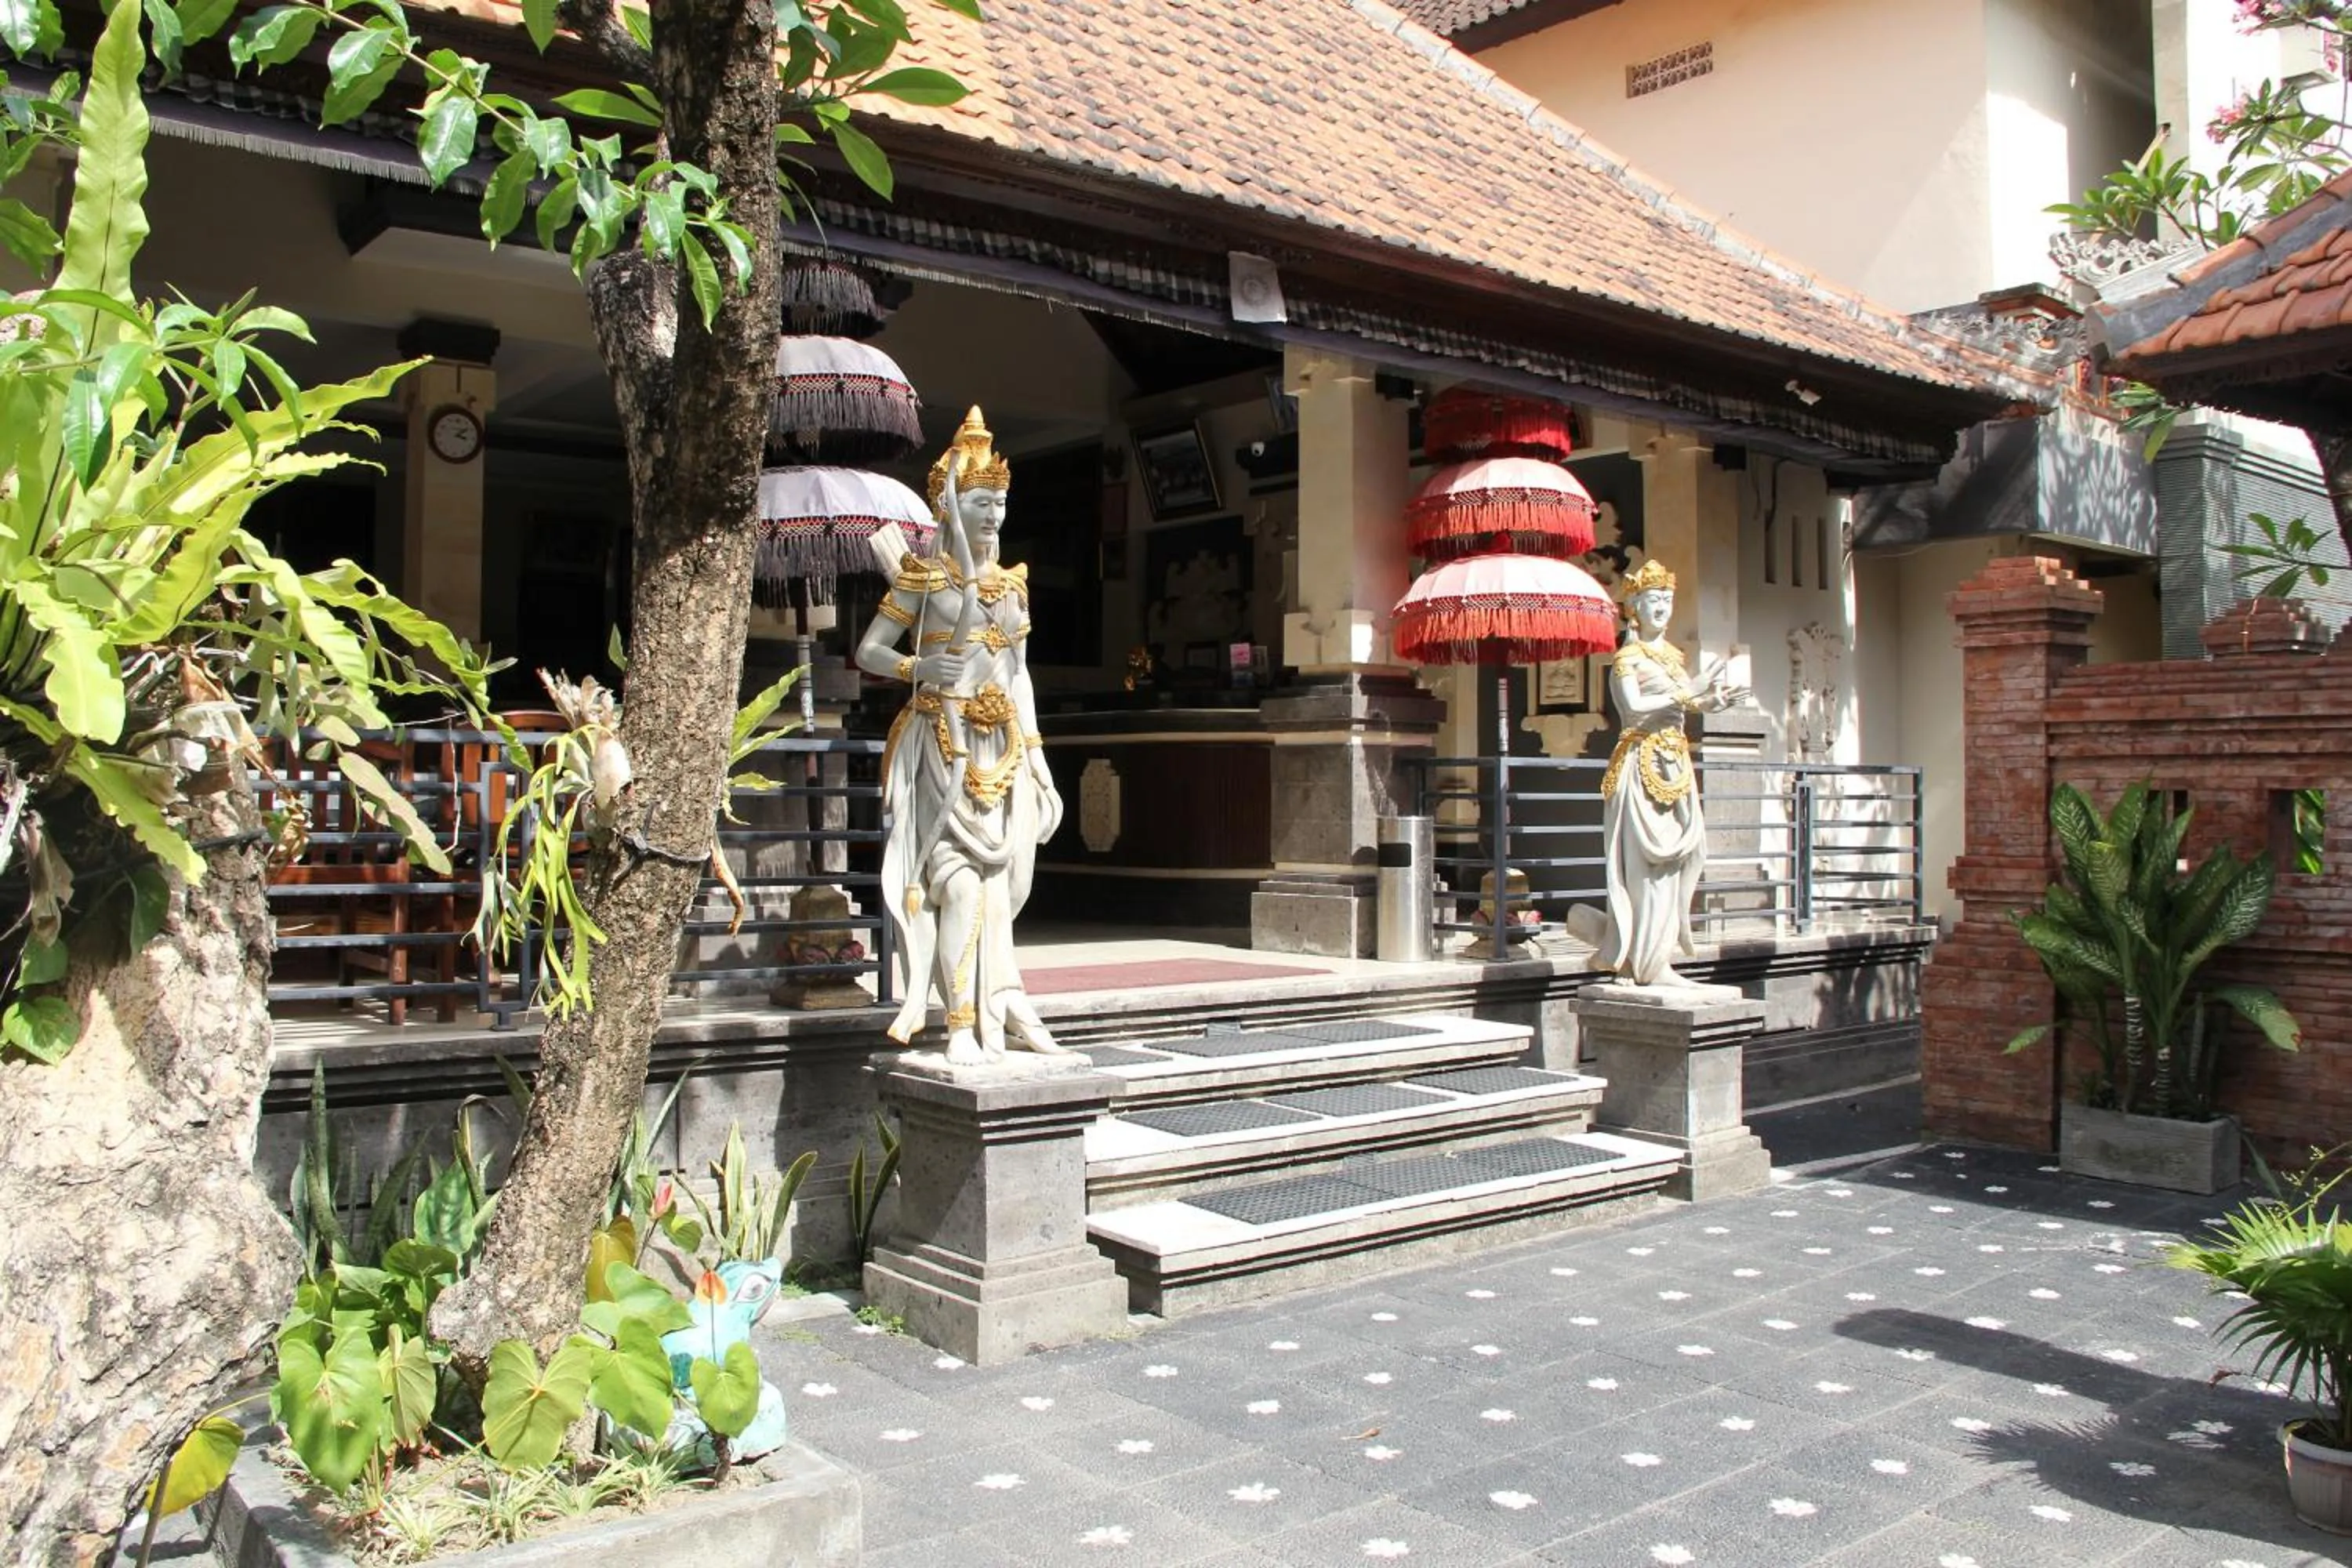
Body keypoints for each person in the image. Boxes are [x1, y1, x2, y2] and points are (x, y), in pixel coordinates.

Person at [855, 408, 1067, 1060]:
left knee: (1002, 890)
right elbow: (868, 652)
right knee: (960, 885)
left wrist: (1038, 764)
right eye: (980, 503)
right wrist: (919, 665)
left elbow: (1020, 677)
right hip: (939, 746)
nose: (993, 517)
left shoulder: (1011, 587)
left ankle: (1005, 1007)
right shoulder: (925, 579)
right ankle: (958, 1022)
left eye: (1000, 504)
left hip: (999, 749)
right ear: (951, 507)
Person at [1594, 559, 1748, 986]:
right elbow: (1634, 707)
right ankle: (1642, 962)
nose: (1662, 607)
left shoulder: (1673, 658)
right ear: (1635, 609)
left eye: (1667, 600)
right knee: (1645, 866)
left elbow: (1687, 702)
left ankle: (1660, 958)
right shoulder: (1628, 658)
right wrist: (1687, 693)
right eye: (1652, 600)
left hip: (1675, 765)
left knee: (1681, 860)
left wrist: (1709, 702)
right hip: (1640, 766)